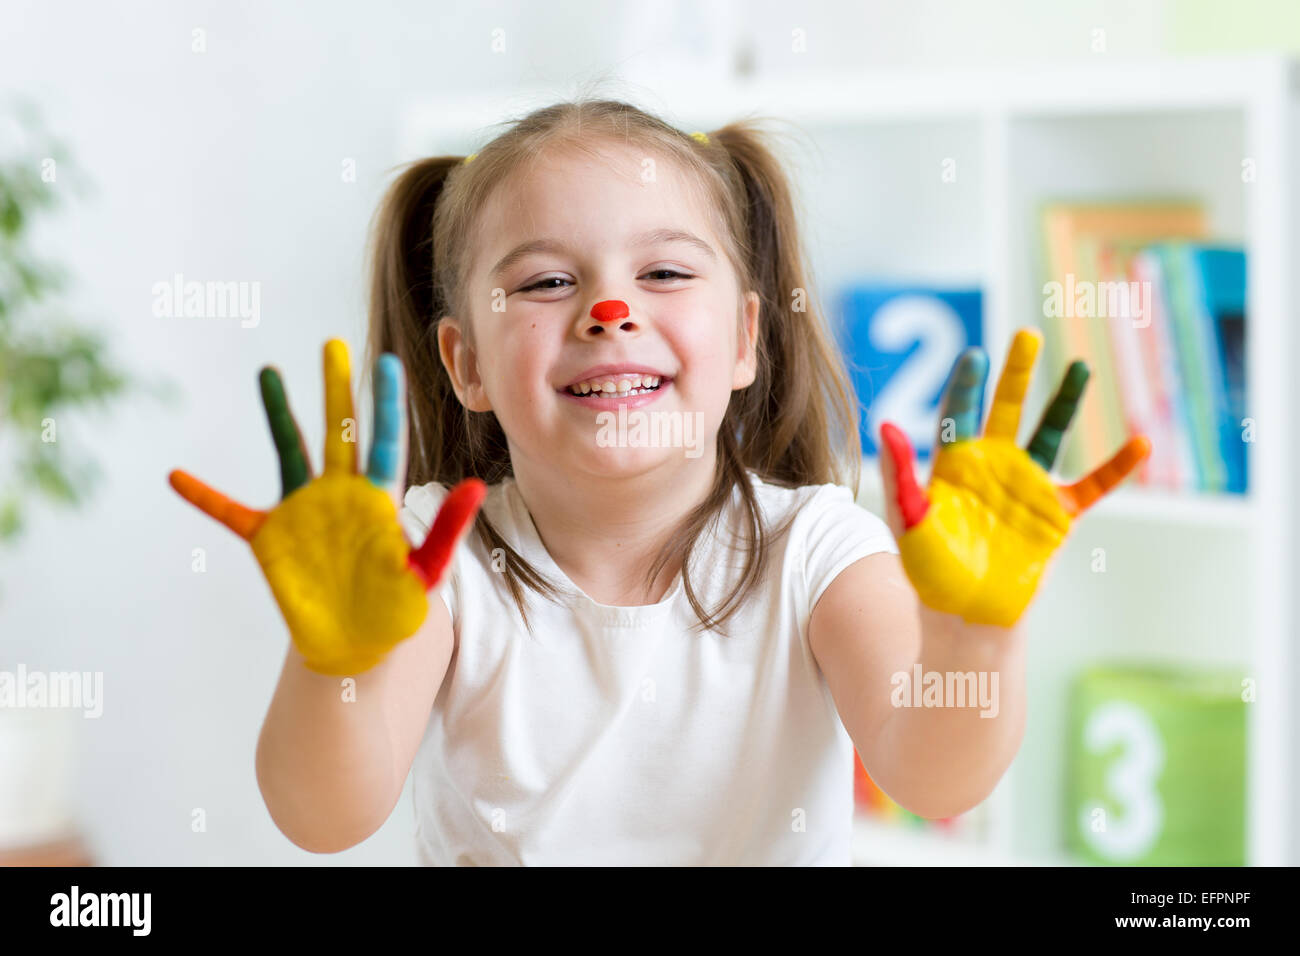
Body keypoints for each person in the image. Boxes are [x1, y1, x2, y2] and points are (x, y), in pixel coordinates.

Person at [169, 99, 1149, 865]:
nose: (607, 308)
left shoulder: (817, 547)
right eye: (547, 282)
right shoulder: (433, 554)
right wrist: (332, 664)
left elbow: (936, 774)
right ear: (465, 363)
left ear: (743, 338)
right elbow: (324, 817)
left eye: (666, 274)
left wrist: (977, 633)